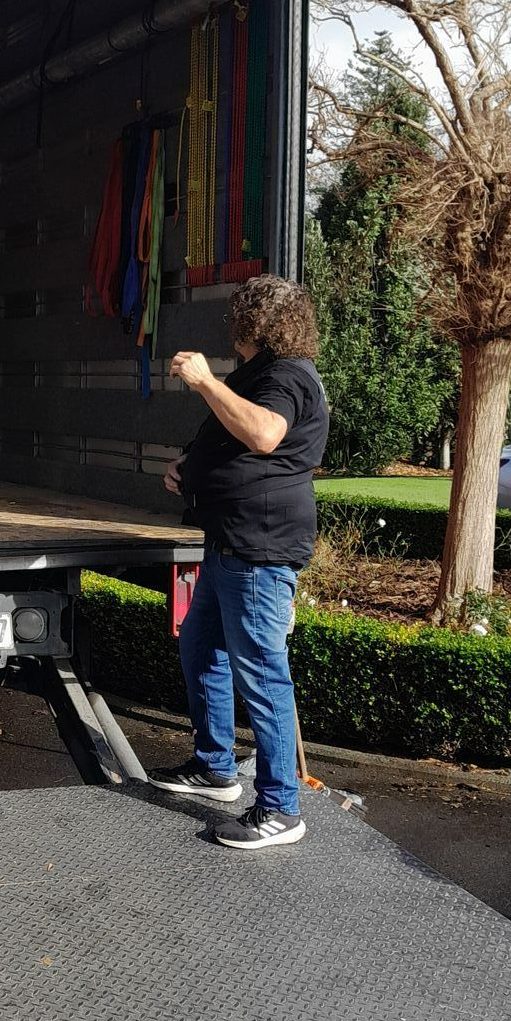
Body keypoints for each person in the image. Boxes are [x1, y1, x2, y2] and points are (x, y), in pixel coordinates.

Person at [152, 274, 329, 851]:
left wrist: (205, 381)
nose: (233, 324)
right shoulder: (261, 372)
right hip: (230, 543)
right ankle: (215, 768)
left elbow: (264, 434)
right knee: (201, 645)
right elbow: (231, 436)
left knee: (262, 675)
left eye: (239, 315)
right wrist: (190, 465)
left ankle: (280, 808)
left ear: (256, 322)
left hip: (259, 551)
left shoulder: (287, 376)